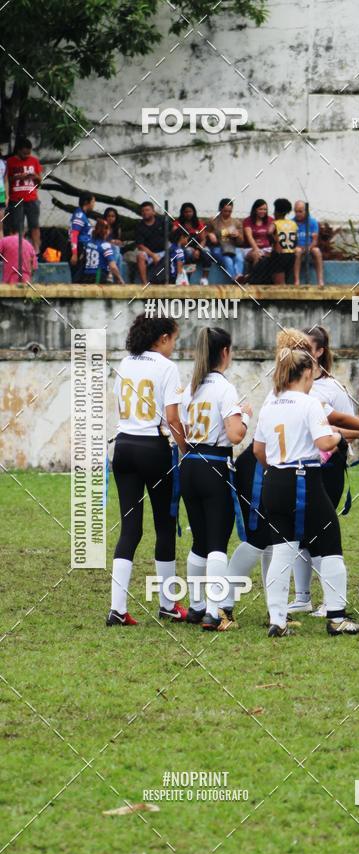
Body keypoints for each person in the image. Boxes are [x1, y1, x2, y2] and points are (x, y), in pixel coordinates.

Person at [254, 343, 359, 638]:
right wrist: (335, 436)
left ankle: (278, 620)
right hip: (303, 479)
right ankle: (336, 616)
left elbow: (258, 449)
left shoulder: (270, 404)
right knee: (330, 540)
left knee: (283, 549)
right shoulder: (309, 403)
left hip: (274, 479)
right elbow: (323, 443)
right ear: (306, 372)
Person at [107, 314, 188, 626]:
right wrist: (185, 448)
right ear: (163, 338)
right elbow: (172, 417)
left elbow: (119, 405)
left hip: (124, 446)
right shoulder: (166, 367)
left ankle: (117, 608)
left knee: (130, 530)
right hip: (153, 448)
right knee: (165, 526)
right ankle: (168, 604)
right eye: (174, 339)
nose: (174, 346)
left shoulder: (127, 363)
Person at [180, 327, 252, 630]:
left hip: (189, 464)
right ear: (225, 352)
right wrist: (246, 415)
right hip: (214, 464)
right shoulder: (224, 388)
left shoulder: (190, 388)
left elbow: (176, 427)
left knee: (199, 539)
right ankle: (215, 611)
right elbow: (235, 435)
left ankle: (196, 607)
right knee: (218, 541)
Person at [5, 137, 43, 253]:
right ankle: (19, 252)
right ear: (19, 150)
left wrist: (36, 177)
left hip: (32, 198)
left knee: (35, 226)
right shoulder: (10, 162)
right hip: (16, 199)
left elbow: (40, 181)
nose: (27, 155)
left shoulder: (34, 161)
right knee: (17, 227)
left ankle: (36, 251)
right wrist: (18, 177)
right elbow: (6, 180)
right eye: (24, 153)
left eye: (29, 153)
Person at [206, 198, 245, 282]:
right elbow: (205, 234)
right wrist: (210, 235)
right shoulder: (213, 221)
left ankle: (238, 276)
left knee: (239, 257)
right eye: (225, 211)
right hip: (218, 247)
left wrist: (238, 236)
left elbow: (241, 241)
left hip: (232, 246)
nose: (227, 213)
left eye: (229, 211)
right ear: (220, 209)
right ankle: (235, 280)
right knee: (228, 260)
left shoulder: (236, 222)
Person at [76, 218, 125, 284]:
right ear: (106, 231)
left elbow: (81, 258)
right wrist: (120, 278)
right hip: (99, 276)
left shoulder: (88, 243)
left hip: (86, 276)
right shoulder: (105, 245)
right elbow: (113, 267)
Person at [173, 202, 211, 285]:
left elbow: (203, 239)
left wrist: (198, 249)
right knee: (189, 253)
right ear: (182, 213)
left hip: (198, 246)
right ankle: (187, 279)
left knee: (207, 252)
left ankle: (204, 279)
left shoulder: (198, 223)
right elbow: (176, 238)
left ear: (194, 212)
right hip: (185, 247)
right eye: (186, 212)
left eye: (190, 211)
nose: (188, 214)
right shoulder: (178, 223)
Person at [293, 200, 324, 286]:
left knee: (317, 251)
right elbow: (291, 240)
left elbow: (315, 240)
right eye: (296, 211)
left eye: (300, 211)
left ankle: (320, 281)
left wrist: (308, 248)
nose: (298, 214)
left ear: (306, 211)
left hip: (310, 246)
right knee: (298, 251)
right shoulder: (292, 222)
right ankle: (297, 281)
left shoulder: (313, 222)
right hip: (297, 247)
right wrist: (299, 247)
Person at [135, 201, 166, 283]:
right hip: (149, 254)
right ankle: (144, 284)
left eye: (147, 210)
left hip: (164, 251)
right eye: (143, 211)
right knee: (140, 255)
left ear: (153, 211)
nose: (145, 212)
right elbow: (140, 246)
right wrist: (153, 255)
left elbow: (174, 227)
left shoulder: (162, 221)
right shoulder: (139, 226)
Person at [270, 198, 297, 285]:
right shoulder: (293, 223)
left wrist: (274, 241)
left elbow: (269, 232)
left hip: (279, 255)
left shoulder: (275, 223)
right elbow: (295, 239)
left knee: (279, 284)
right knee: (286, 279)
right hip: (291, 255)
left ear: (276, 211)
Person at [69, 191, 96, 280]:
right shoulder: (79, 216)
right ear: (86, 203)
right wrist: (74, 254)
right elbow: (74, 235)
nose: (93, 205)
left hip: (84, 249)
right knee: (78, 277)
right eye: (92, 202)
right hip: (79, 249)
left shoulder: (83, 216)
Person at [243, 198, 274, 271]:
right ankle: (254, 279)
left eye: (265, 209)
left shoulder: (271, 220)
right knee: (257, 255)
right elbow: (249, 237)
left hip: (267, 248)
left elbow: (274, 236)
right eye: (260, 209)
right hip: (250, 249)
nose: (263, 211)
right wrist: (256, 249)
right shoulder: (248, 221)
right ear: (255, 210)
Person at [0, 152, 6, 238]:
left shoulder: (3, 163)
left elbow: (6, 180)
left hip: (1, 196)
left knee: (0, 226)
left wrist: (7, 196)